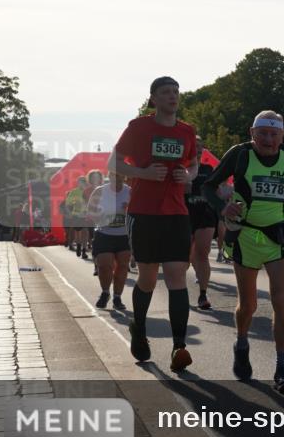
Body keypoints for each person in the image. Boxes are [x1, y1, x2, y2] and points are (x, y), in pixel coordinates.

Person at [202, 111, 284, 393]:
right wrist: (222, 207)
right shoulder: (240, 155)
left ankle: (282, 368)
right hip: (246, 236)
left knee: (281, 300)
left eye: (273, 134)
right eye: (262, 133)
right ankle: (242, 341)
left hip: (277, 235)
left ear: (282, 135)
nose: (268, 139)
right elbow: (208, 186)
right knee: (249, 304)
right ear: (252, 133)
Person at [108, 76, 198, 372]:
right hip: (144, 212)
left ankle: (179, 346)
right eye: (165, 92)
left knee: (176, 276)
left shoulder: (187, 131)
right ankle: (139, 328)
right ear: (154, 98)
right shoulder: (139, 127)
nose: (172, 96)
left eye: (176, 91)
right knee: (147, 277)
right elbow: (114, 163)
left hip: (176, 213)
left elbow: (193, 163)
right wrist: (143, 174)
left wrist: (189, 175)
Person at [86, 171, 132, 310]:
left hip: (124, 235)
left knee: (123, 266)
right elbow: (90, 210)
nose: (116, 178)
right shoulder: (99, 192)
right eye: (114, 175)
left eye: (119, 175)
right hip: (104, 234)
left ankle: (117, 297)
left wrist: (128, 211)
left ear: (124, 176)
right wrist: (100, 217)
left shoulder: (130, 192)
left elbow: (138, 211)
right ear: (109, 176)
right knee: (104, 266)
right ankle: (105, 292)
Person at [186, 137, 218, 310]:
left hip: (205, 214)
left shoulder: (208, 169)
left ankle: (203, 294)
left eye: (200, 146)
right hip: (185, 214)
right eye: (194, 146)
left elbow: (216, 191)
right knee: (184, 258)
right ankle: (179, 291)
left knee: (202, 253)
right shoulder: (181, 169)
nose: (198, 149)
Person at [65, 176, 90, 258]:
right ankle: (79, 246)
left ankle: (84, 251)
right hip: (76, 215)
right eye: (80, 181)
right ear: (78, 183)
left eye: (84, 181)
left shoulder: (88, 191)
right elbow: (68, 203)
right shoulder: (74, 192)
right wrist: (75, 203)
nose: (82, 183)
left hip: (86, 215)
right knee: (78, 233)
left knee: (85, 232)